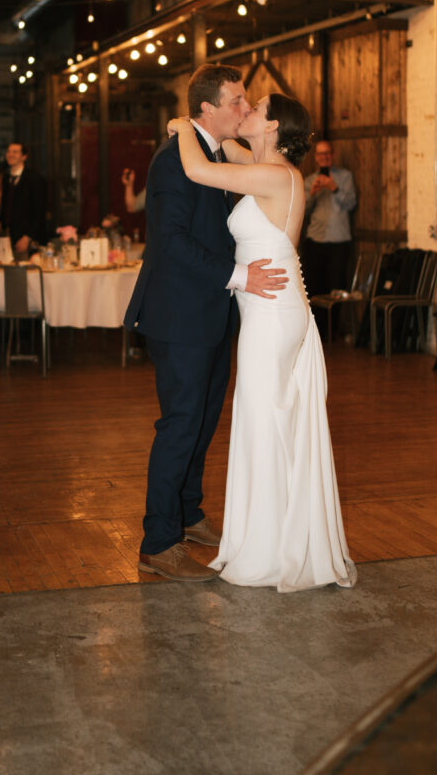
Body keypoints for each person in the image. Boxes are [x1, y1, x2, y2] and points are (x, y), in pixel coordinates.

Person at [169, 93, 356, 592]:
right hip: (271, 306)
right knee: (264, 421)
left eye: (256, 107)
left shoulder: (276, 177)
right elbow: (224, 150)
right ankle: (269, 539)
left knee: (262, 422)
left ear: (273, 125)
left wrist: (183, 125)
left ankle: (270, 551)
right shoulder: (265, 165)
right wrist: (212, 127)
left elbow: (198, 169)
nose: (246, 108)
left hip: (272, 313)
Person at [124, 63, 288, 583]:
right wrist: (241, 276)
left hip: (213, 313)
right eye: (237, 101)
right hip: (180, 315)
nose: (245, 108)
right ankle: (158, 541)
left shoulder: (213, 153)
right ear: (207, 108)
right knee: (179, 425)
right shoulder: (175, 160)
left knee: (203, 421)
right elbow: (171, 242)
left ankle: (189, 513)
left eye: (246, 101)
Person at [303, 140, 357, 335]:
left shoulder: (345, 177)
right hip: (315, 239)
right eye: (320, 154)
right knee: (315, 287)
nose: (324, 157)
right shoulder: (309, 180)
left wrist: (334, 188)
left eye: (327, 154)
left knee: (336, 285)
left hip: (339, 240)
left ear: (332, 156)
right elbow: (303, 211)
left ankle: (333, 331)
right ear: (316, 158)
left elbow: (351, 203)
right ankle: (317, 331)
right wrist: (312, 194)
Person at [0, 142, 47, 257]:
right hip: (8, 237)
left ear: (24, 157)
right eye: (9, 152)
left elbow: (40, 212)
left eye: (15, 152)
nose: (11, 155)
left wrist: (27, 237)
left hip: (27, 239)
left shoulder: (34, 179)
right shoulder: (6, 178)